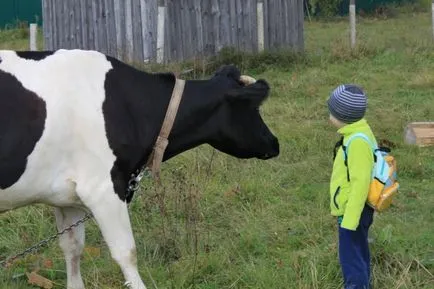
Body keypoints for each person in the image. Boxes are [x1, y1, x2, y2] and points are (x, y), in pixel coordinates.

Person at [328, 84, 376, 289]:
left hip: (353, 211)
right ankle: (365, 283)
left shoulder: (356, 142)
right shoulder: (358, 131)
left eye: (331, 111)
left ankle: (357, 285)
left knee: (351, 259)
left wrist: (349, 221)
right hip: (357, 210)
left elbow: (360, 185)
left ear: (342, 116)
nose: (329, 115)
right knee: (359, 250)